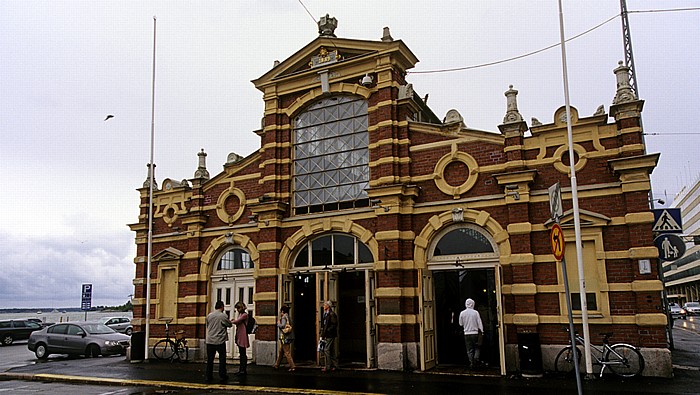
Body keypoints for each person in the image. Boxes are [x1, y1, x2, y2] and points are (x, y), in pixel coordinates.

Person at [205, 300, 232, 383]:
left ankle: (208, 376)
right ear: (222, 307)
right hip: (219, 340)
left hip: (210, 340)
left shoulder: (209, 315)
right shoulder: (223, 316)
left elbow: (207, 325)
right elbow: (229, 324)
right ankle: (222, 375)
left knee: (210, 360)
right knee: (222, 359)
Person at [458, 298, 484, 369]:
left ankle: (471, 362)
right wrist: (482, 331)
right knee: (477, 347)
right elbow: (479, 323)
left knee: (469, 349)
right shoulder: (475, 313)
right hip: (475, 333)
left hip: (466, 333)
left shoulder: (462, 313)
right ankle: (476, 359)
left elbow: (460, 324)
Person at [273, 305, 297, 371]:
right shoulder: (288, 317)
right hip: (288, 336)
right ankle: (276, 365)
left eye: (281, 311)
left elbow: (282, 326)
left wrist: (278, 324)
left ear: (282, 311)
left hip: (284, 337)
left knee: (286, 352)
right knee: (281, 351)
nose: (280, 313)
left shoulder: (283, 317)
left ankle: (292, 366)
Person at [231, 301, 250, 376]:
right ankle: (241, 369)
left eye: (238, 308)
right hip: (240, 334)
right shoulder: (241, 314)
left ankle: (243, 369)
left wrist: (231, 321)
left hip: (243, 335)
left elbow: (237, 321)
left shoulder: (244, 315)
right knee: (241, 353)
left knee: (243, 353)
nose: (237, 310)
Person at [320, 300, 338, 372]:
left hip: (330, 335)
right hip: (328, 334)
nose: (323, 306)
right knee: (331, 350)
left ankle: (328, 366)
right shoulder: (326, 314)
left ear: (328, 306)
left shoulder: (331, 314)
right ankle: (335, 365)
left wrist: (327, 331)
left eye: (325, 305)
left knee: (326, 349)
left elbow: (334, 324)